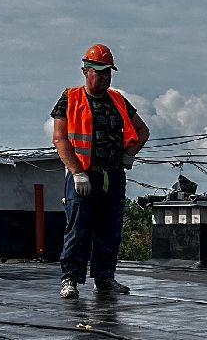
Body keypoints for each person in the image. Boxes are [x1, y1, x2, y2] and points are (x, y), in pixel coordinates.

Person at [51, 42, 150, 299]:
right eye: (100, 71)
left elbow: (143, 130)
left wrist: (130, 154)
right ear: (86, 71)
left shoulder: (118, 100)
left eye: (108, 72)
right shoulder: (70, 98)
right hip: (84, 176)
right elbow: (60, 139)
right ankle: (70, 279)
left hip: (113, 175)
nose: (105, 77)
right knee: (79, 228)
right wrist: (76, 171)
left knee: (110, 228)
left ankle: (104, 278)